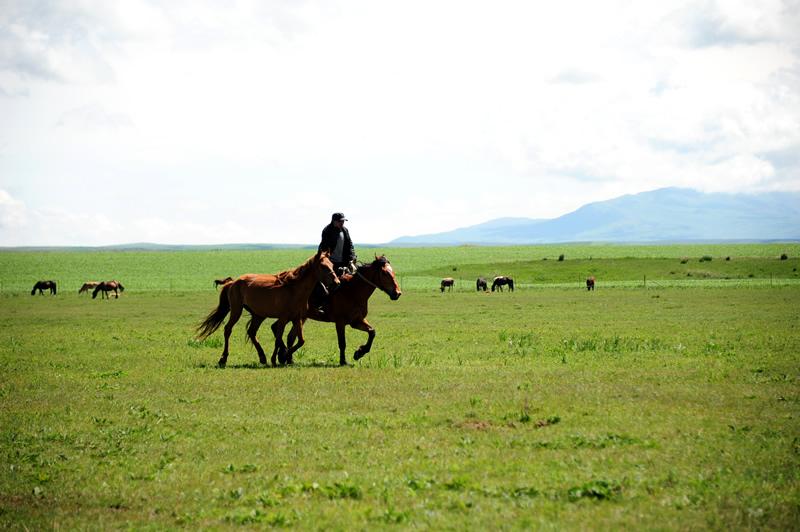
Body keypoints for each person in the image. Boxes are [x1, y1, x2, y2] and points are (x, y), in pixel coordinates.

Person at [310, 212, 357, 314]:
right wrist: (327, 262)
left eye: (343, 221)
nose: (342, 223)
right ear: (334, 221)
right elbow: (324, 247)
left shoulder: (345, 230)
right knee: (324, 285)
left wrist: (352, 258)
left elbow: (350, 245)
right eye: (340, 221)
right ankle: (318, 305)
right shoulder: (327, 231)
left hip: (342, 262)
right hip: (330, 263)